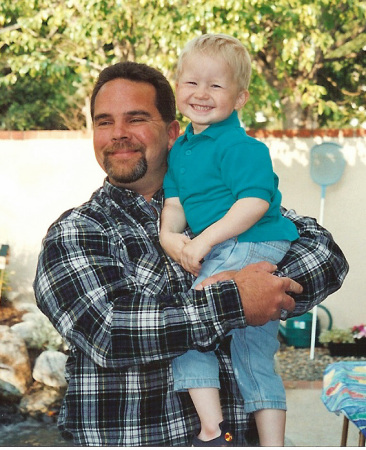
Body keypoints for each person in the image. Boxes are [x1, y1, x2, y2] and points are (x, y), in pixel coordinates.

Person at [33, 60, 349, 447]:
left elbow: (325, 253)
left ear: (171, 133)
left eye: (135, 119)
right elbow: (111, 331)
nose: (118, 134)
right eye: (103, 122)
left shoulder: (220, 203)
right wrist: (238, 297)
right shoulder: (76, 232)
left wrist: (261, 287)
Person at [160, 34, 297, 446]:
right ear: (178, 85)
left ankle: (211, 429)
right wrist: (170, 237)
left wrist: (201, 243)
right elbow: (175, 205)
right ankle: (271, 445)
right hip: (232, 246)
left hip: (251, 242)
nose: (201, 93)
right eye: (191, 82)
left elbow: (254, 203)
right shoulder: (182, 149)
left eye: (216, 86)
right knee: (254, 353)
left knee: (192, 321)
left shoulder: (242, 146)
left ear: (239, 99)